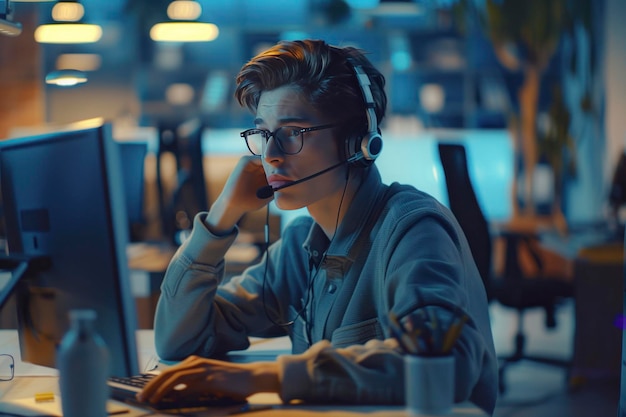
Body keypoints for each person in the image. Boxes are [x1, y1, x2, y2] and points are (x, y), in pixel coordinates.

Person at [137, 39, 498, 414]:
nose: (271, 154)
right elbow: (177, 340)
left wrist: (265, 378)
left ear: (357, 143)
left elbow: (447, 364)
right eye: (263, 133)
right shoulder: (300, 246)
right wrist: (220, 217)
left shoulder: (413, 230)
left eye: (293, 132)